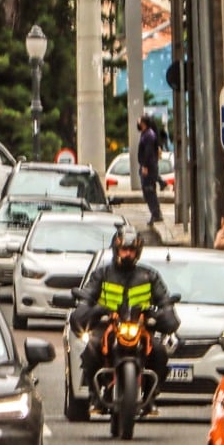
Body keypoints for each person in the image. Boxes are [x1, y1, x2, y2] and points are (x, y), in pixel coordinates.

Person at [70, 226, 178, 413]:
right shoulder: (102, 274)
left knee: (160, 352)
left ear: (137, 253)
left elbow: (164, 302)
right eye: (124, 249)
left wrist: (162, 314)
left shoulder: (149, 276)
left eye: (131, 250)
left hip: (140, 329)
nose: (127, 254)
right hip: (108, 327)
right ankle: (95, 396)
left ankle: (150, 395)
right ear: (116, 249)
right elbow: (86, 298)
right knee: (90, 350)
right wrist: (94, 310)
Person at [136, 115, 164, 223]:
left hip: (148, 167)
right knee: (148, 191)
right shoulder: (146, 134)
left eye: (139, 121)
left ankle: (156, 214)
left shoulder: (149, 135)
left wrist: (145, 166)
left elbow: (148, 153)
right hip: (148, 167)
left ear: (143, 123)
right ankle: (155, 213)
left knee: (149, 191)